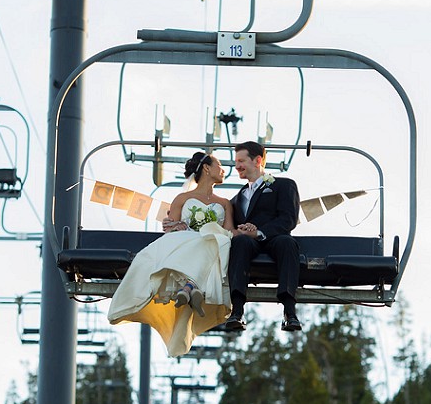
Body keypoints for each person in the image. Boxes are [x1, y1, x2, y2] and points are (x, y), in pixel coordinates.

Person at [107, 152, 236, 357]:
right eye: (219, 165)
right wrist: (178, 226)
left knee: (218, 240)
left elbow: (229, 231)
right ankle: (191, 287)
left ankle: (190, 287)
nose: (223, 170)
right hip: (187, 242)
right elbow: (170, 229)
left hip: (212, 242)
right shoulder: (182, 198)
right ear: (206, 169)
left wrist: (250, 231)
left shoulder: (225, 203)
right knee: (202, 242)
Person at [225, 141, 303, 332]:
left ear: (257, 160)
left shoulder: (283, 185)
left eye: (241, 161)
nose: (237, 166)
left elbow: (288, 219)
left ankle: (289, 311)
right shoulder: (237, 198)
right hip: (247, 243)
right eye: (236, 161)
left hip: (274, 239)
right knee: (240, 241)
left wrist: (259, 232)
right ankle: (237, 310)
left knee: (287, 242)